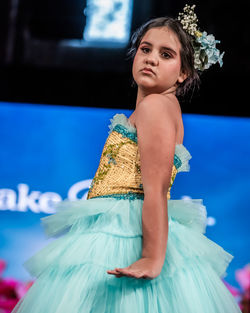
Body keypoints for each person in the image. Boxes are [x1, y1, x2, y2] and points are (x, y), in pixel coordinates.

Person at [12, 4, 242, 313]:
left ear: (184, 72)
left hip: (124, 233)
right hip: (123, 225)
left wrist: (151, 257)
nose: (151, 58)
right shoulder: (163, 106)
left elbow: (156, 189)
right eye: (146, 49)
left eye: (166, 54)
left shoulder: (156, 107)